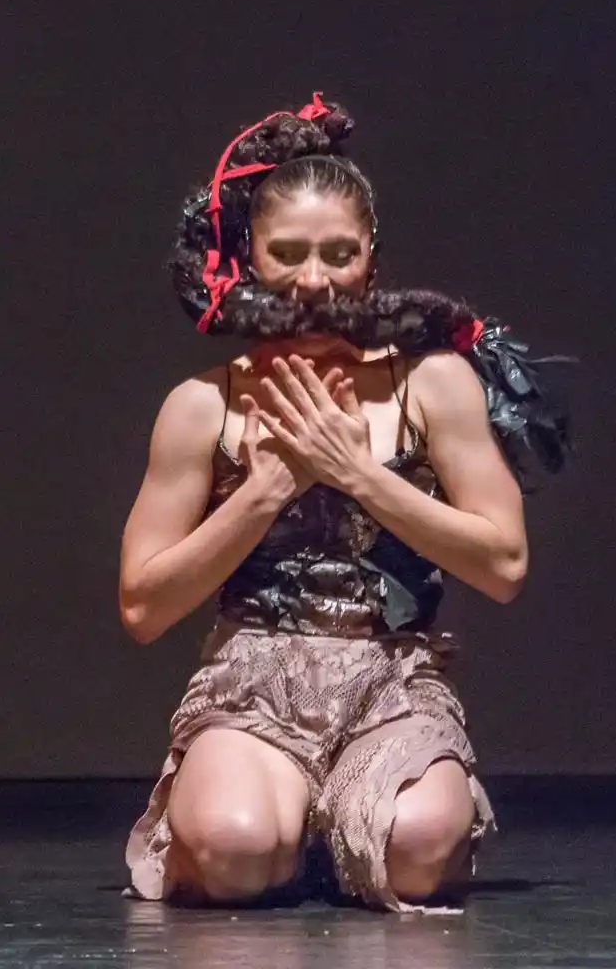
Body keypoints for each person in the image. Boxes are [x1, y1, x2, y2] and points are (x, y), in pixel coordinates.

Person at [121, 93, 570, 914]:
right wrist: (263, 491)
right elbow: (144, 606)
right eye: (286, 253)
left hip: (390, 677)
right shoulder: (204, 404)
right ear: (247, 262)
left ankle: (351, 824)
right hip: (254, 682)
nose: (313, 279)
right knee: (232, 849)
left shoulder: (430, 385)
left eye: (337, 253)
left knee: (415, 851)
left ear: (371, 258)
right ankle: (279, 825)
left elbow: (503, 566)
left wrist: (359, 475)